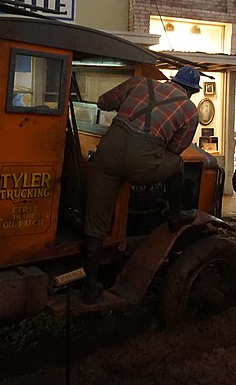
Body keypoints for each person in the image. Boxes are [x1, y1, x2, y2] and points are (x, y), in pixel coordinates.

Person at [82, 66, 201, 303]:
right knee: (176, 163)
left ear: (171, 81)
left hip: (109, 151)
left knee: (95, 223)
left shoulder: (139, 83)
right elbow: (175, 150)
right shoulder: (189, 111)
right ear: (191, 91)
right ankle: (175, 215)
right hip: (141, 162)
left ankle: (89, 286)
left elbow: (102, 102)